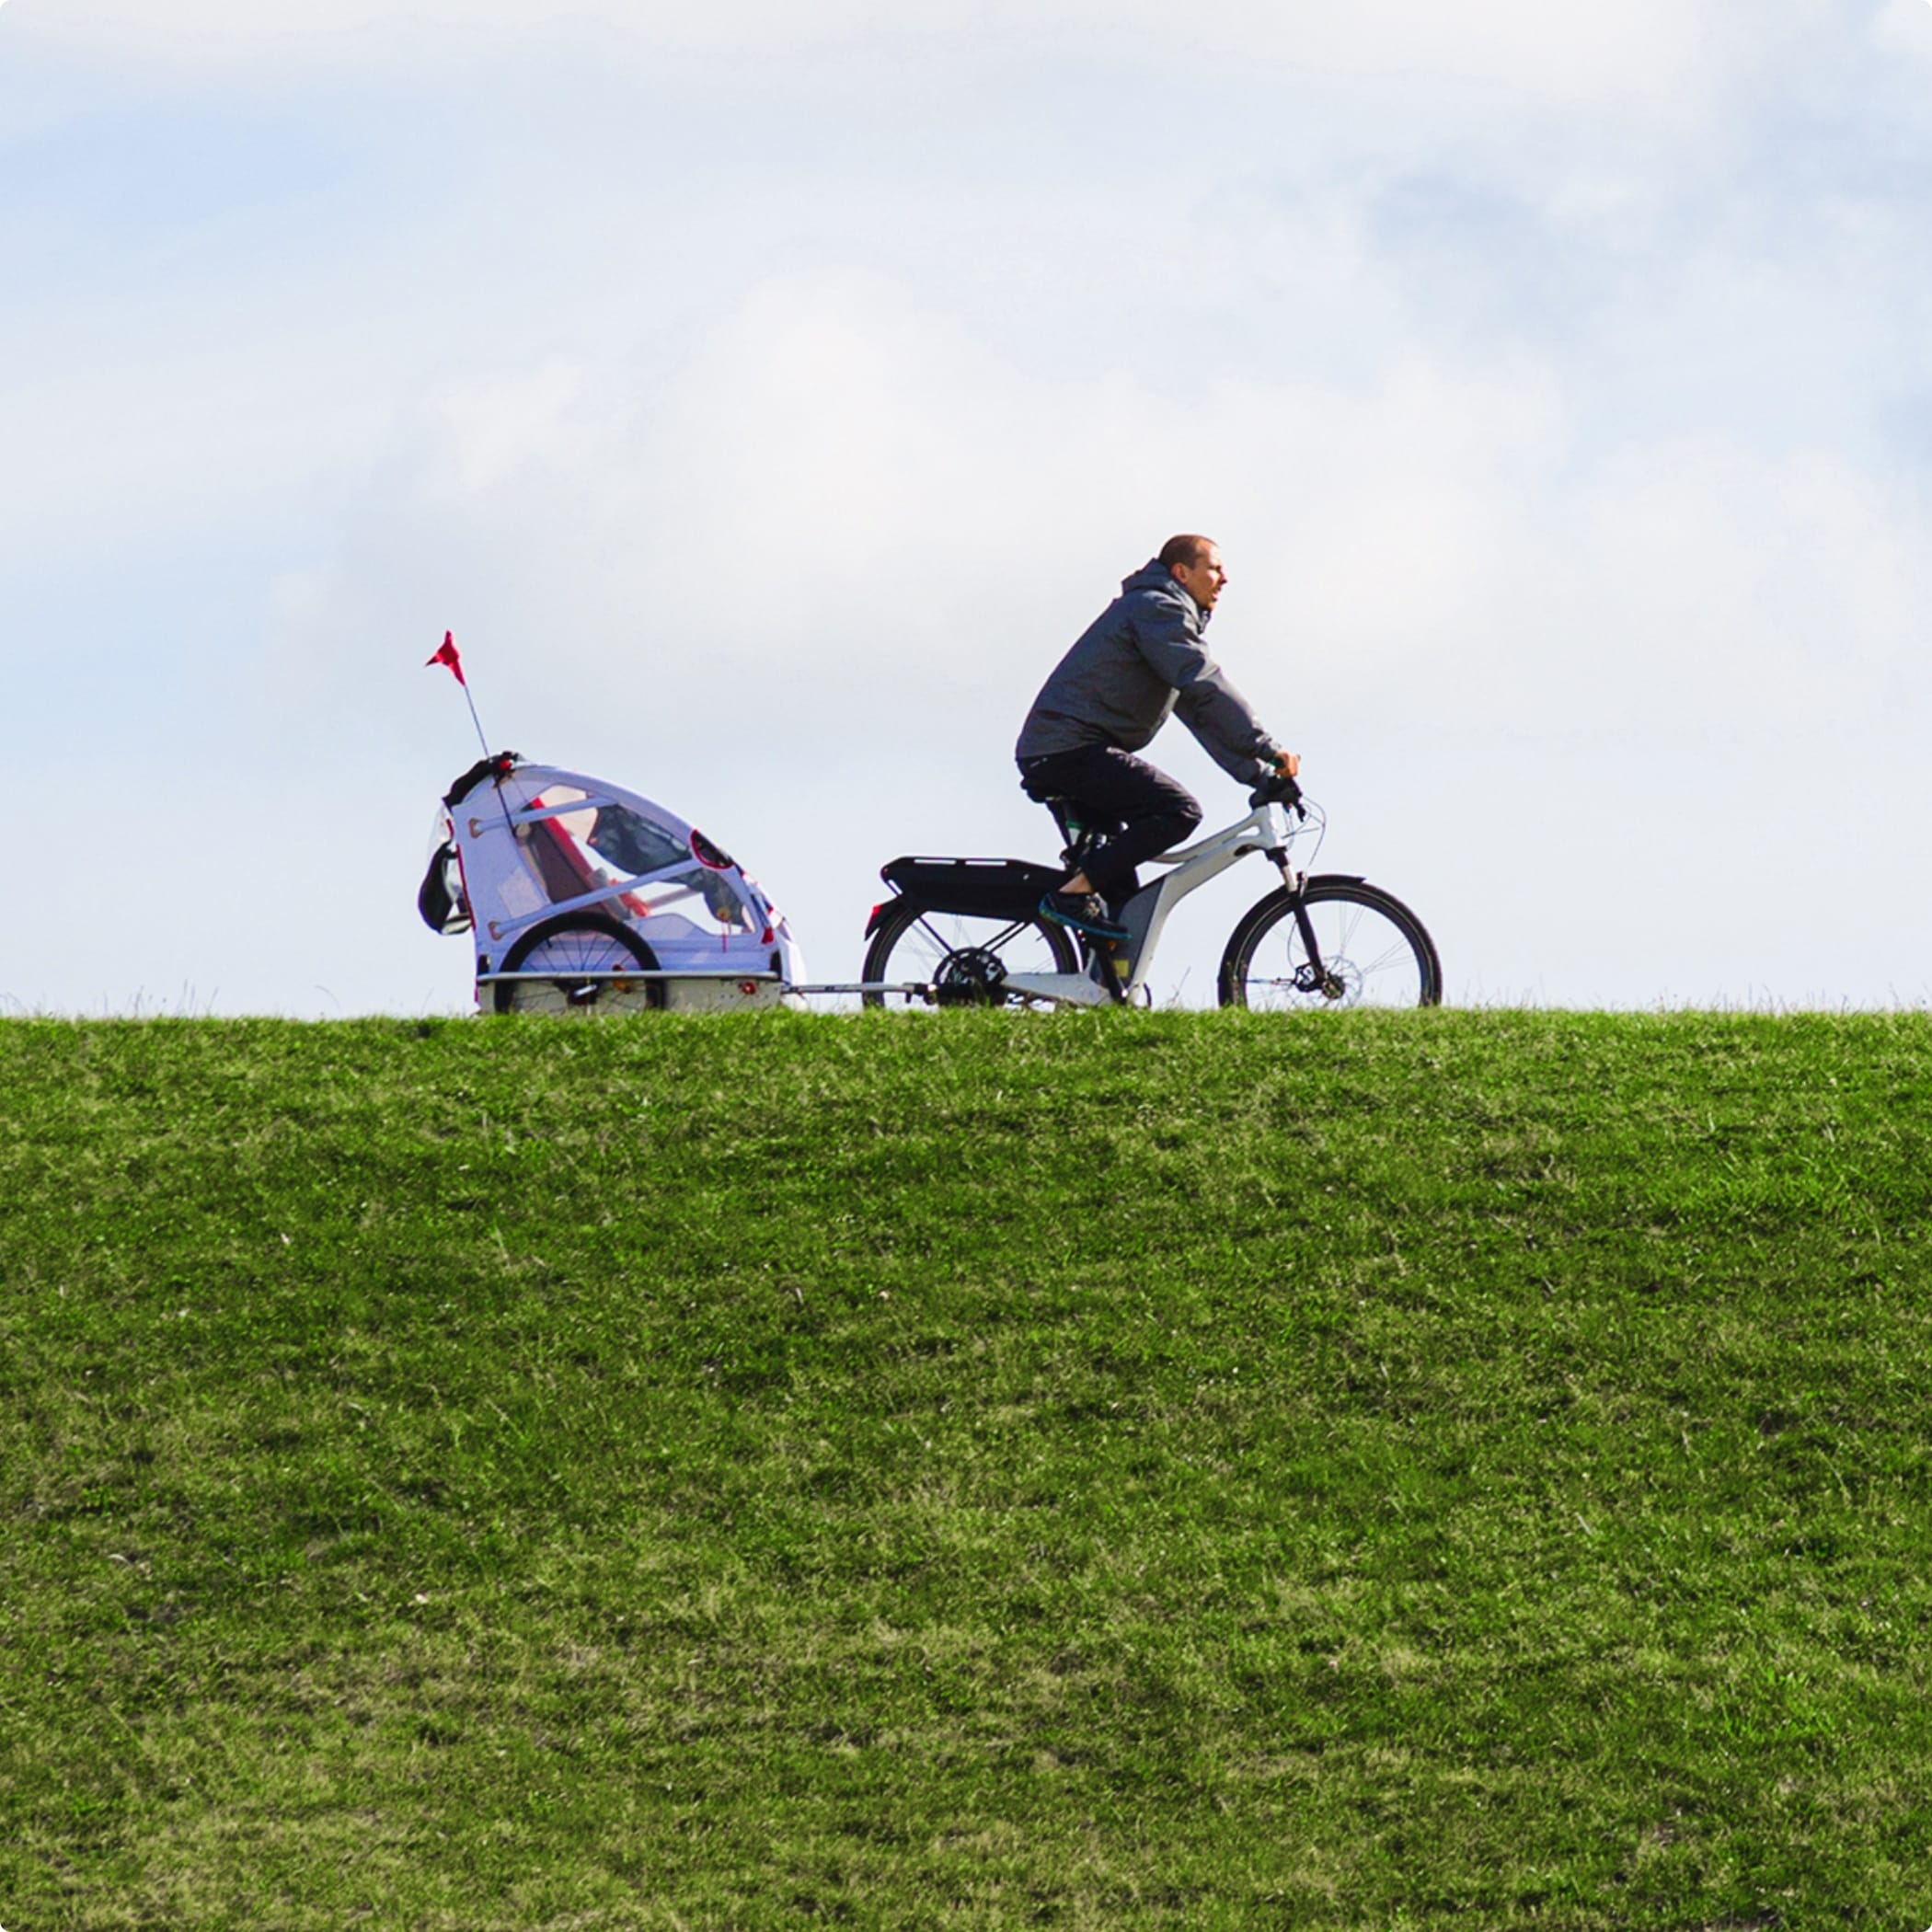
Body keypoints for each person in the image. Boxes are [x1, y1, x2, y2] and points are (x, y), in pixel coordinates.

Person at [1015, 535, 1300, 941]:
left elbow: (1201, 710)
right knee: (1178, 811)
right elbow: (1204, 683)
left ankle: (1106, 992)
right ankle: (1070, 895)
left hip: (1064, 751)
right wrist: (1269, 748)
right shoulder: (1158, 610)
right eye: (1215, 569)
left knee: (1123, 906)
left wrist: (1259, 775)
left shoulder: (1159, 618)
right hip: (1067, 750)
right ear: (1182, 573)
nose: (1225, 579)